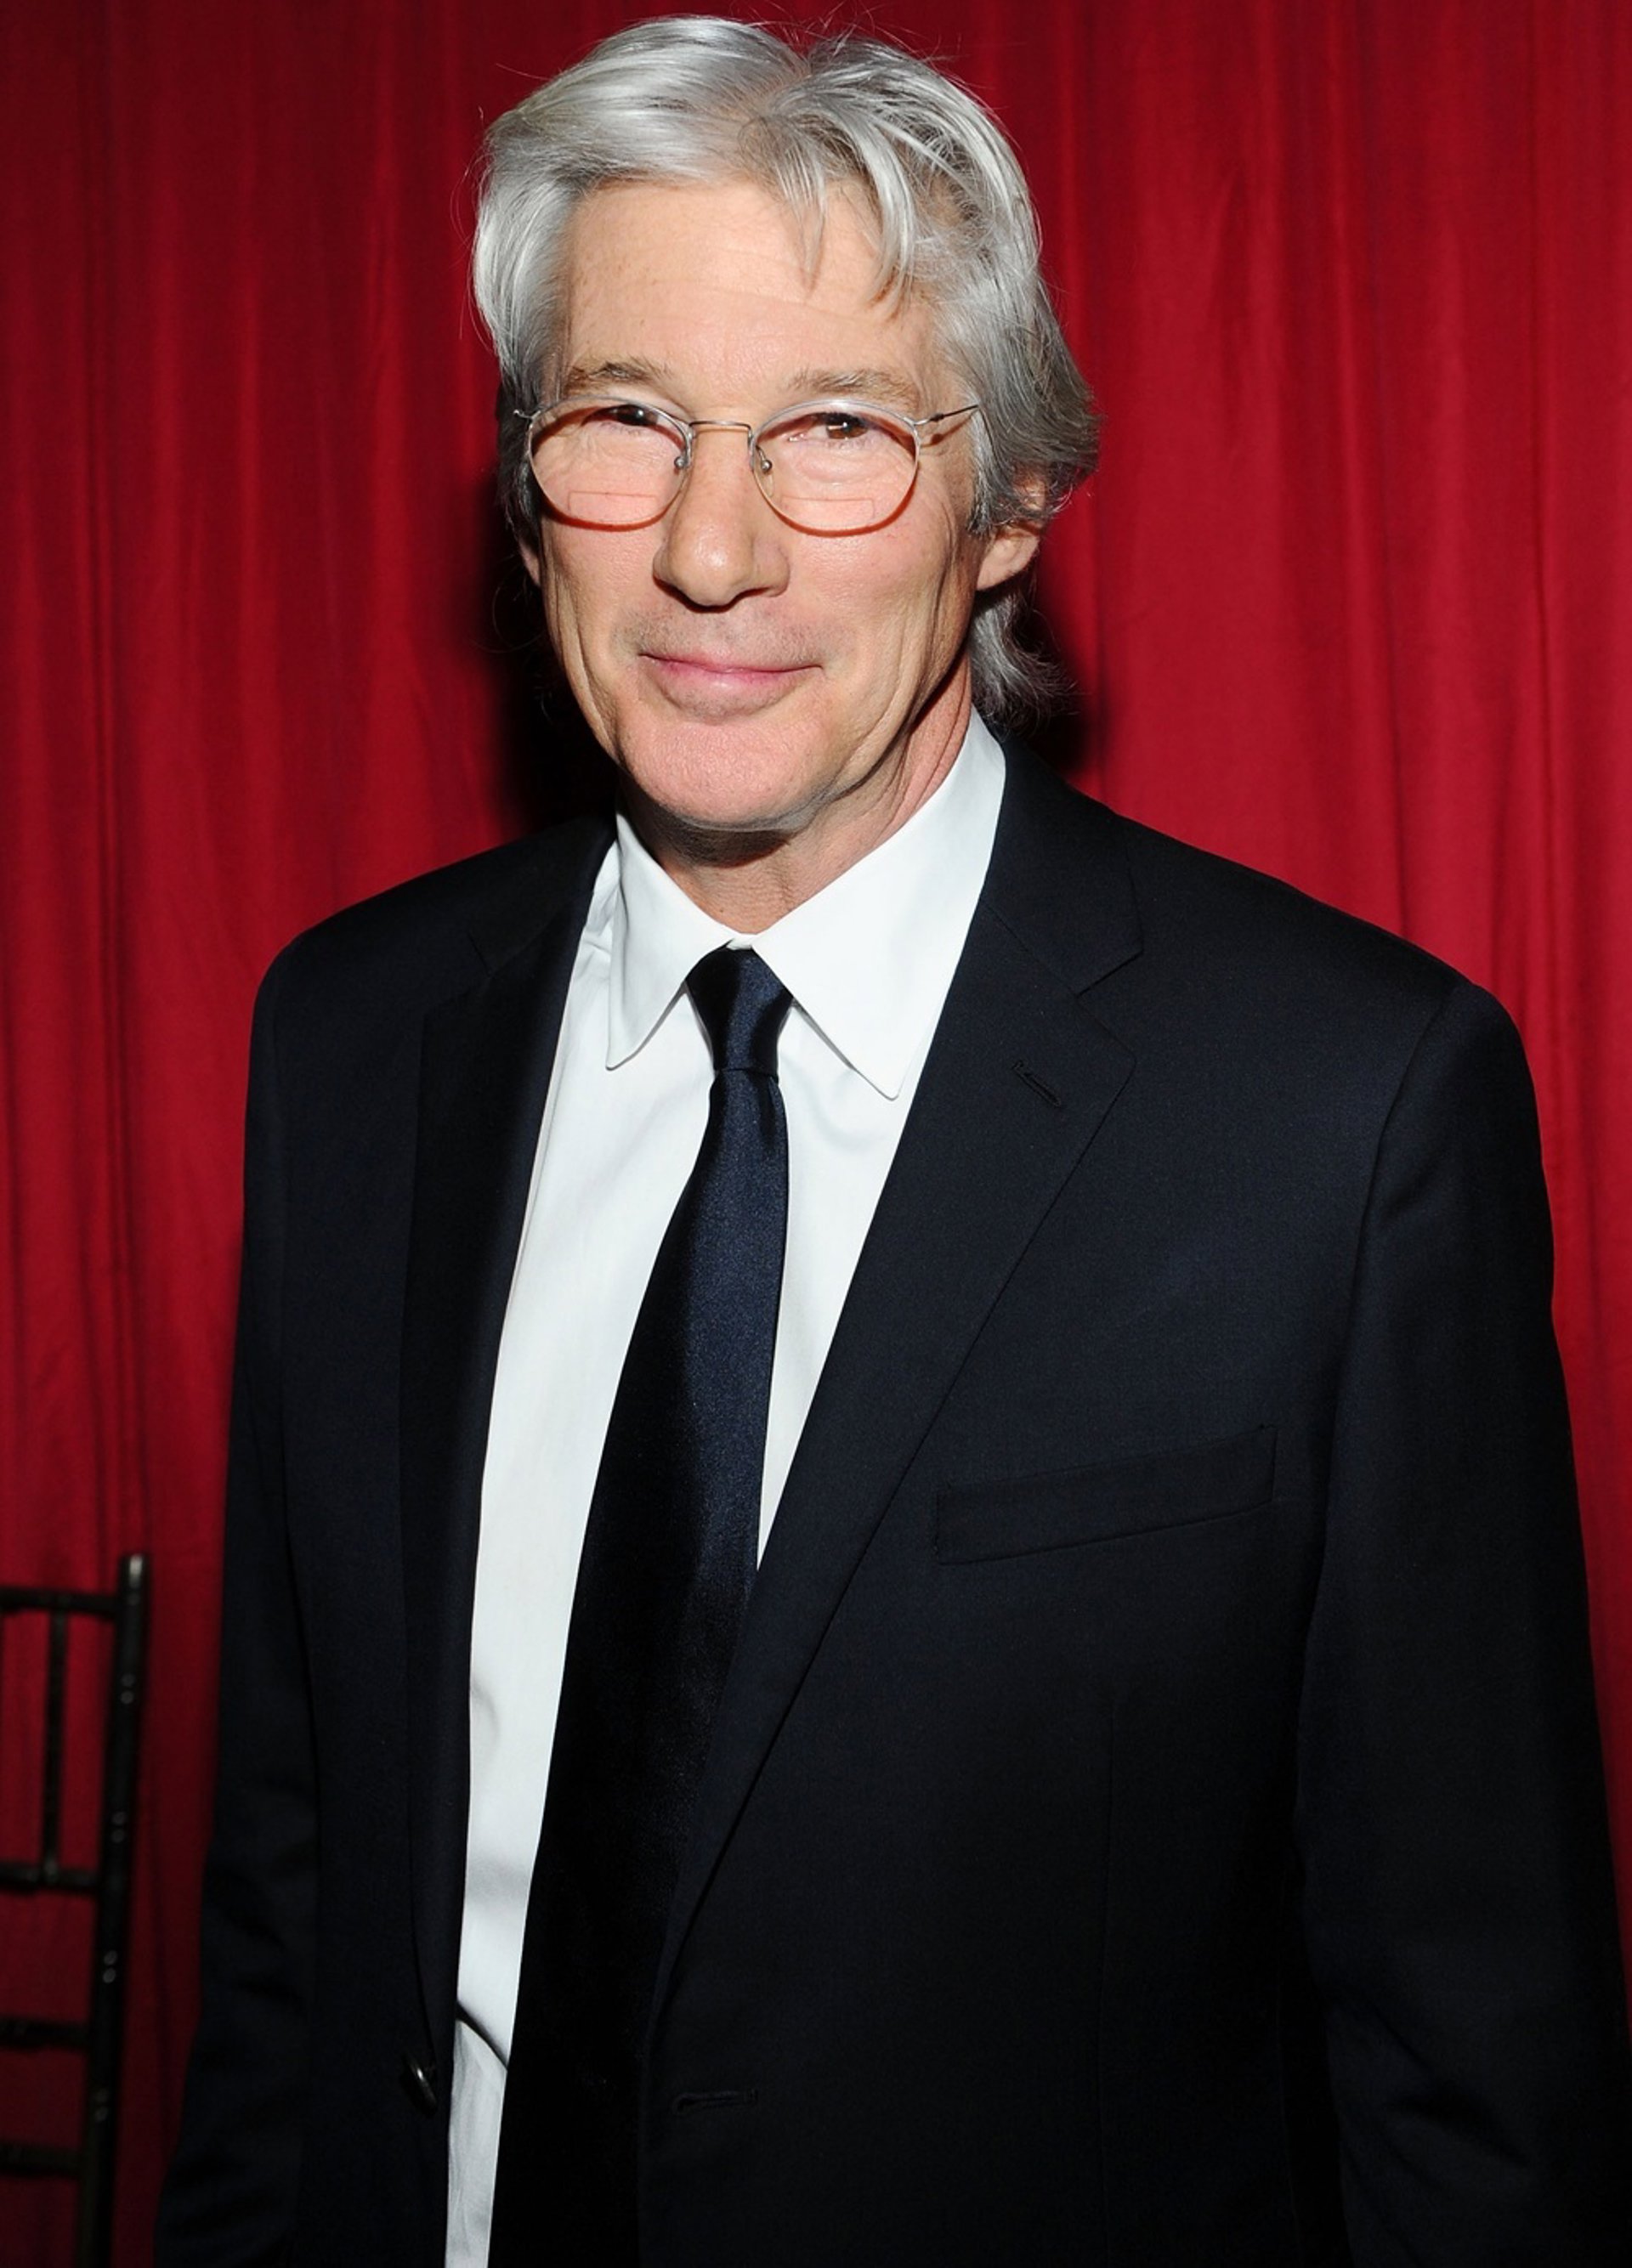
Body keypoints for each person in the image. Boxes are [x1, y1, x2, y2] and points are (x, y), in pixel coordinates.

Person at [158, 18, 1631, 2265]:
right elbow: (288, 1909)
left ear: (1008, 500)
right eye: (625, 422)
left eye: (834, 431)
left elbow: (1474, 2071)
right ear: (526, 484)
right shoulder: (354, 1042)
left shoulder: (1343, 1114)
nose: (710, 551)